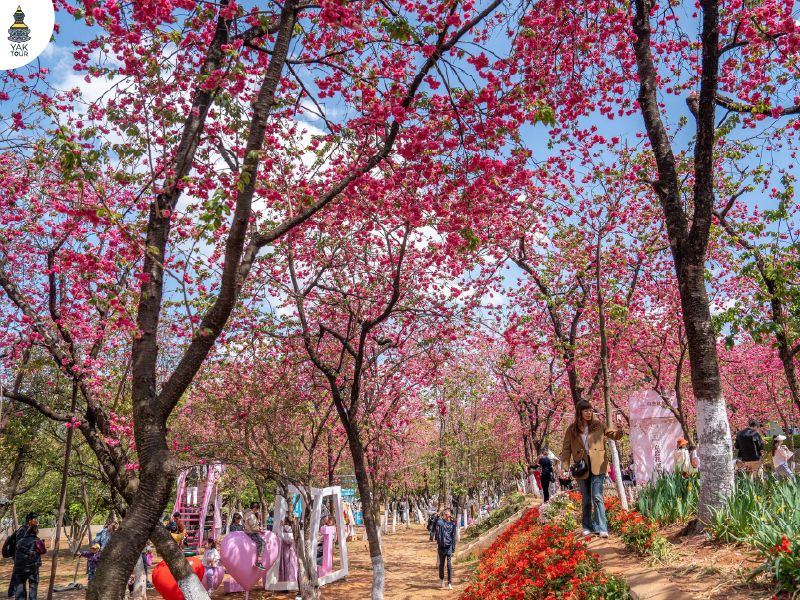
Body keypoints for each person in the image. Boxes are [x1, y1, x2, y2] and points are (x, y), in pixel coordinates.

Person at [559, 399, 623, 538]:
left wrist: (619, 429)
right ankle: (587, 526)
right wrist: (564, 467)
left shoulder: (598, 424)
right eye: (585, 410)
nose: (589, 413)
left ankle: (601, 527)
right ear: (579, 412)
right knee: (586, 499)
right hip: (581, 467)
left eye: (590, 410)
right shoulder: (572, 429)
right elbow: (566, 449)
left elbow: (613, 434)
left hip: (598, 465)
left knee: (597, 496)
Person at [3, 513, 38, 598]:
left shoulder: (29, 529)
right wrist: (29, 552)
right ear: (29, 521)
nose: (37, 520)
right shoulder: (23, 529)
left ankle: (11, 592)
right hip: (21, 557)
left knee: (16, 573)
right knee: (18, 575)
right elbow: (19, 545)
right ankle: (12, 592)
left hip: (25, 558)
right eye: (35, 519)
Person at [12, 524, 45, 600]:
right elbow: (43, 551)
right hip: (32, 568)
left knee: (20, 589)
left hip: (19, 568)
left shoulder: (20, 541)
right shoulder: (37, 540)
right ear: (36, 532)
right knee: (33, 588)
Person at [433, 508, 456, 590]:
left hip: (449, 546)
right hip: (441, 546)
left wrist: (453, 548)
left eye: (448, 514)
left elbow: (454, 536)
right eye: (445, 514)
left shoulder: (453, 524)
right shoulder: (441, 522)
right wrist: (437, 516)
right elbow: (435, 523)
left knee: (449, 565)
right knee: (441, 564)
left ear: (450, 515)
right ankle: (442, 579)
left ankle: (449, 583)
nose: (446, 515)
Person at [242, 503, 266, 570]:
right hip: (252, 533)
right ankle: (258, 562)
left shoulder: (247, 513)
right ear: (255, 508)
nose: (257, 511)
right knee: (262, 543)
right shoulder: (251, 516)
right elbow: (253, 527)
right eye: (257, 509)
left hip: (248, 531)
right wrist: (260, 529)